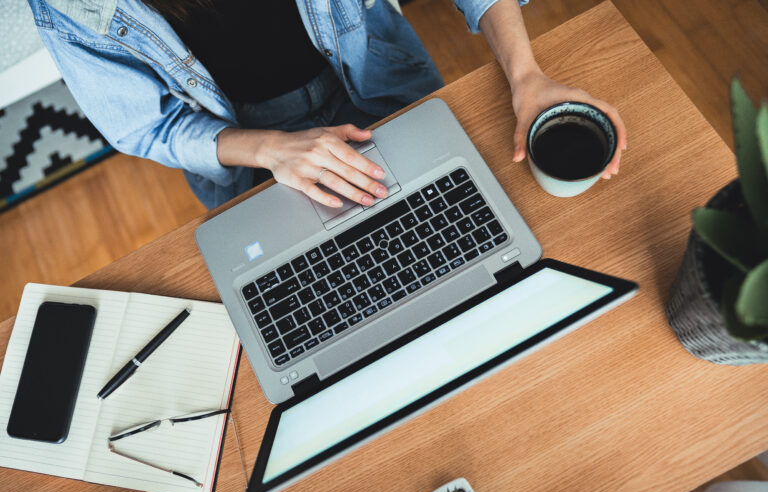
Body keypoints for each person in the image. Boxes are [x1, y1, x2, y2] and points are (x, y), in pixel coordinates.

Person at [29, 0, 626, 210]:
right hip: (247, 154)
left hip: (381, 82)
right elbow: (145, 126)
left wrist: (526, 76)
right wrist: (270, 150)